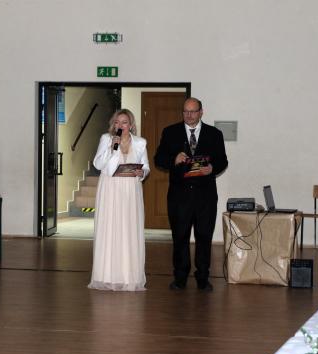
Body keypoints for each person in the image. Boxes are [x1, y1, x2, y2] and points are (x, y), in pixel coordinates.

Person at [154, 97, 228, 291]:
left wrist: (212, 168)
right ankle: (180, 278)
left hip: (205, 197)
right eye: (185, 111)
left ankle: (203, 278)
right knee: (180, 237)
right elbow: (158, 159)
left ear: (201, 112)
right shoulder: (170, 132)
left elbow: (223, 160)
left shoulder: (214, 134)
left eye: (193, 111)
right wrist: (174, 159)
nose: (189, 115)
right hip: (179, 197)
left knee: (204, 237)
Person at [88, 109, 150, 291]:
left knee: (129, 229)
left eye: (124, 122)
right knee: (110, 228)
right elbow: (98, 164)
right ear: (113, 124)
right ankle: (106, 275)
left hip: (131, 190)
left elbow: (146, 167)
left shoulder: (140, 142)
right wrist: (111, 148)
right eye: (117, 122)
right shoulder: (106, 139)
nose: (120, 126)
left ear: (131, 125)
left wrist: (142, 172)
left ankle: (129, 276)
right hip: (110, 188)